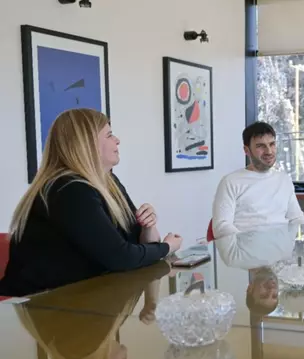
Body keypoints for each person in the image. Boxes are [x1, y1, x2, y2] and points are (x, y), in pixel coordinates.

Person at [0, 109, 182, 297]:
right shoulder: (69, 190)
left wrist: (147, 226)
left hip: (81, 295)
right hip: (37, 303)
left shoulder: (109, 182)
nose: (117, 140)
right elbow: (121, 257)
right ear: (86, 144)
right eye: (109, 135)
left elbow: (138, 245)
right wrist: (167, 247)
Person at [14, 261, 170, 359]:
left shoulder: (84, 342)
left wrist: (161, 263)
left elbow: (140, 267)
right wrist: (151, 299)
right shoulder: (71, 347)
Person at [212, 122, 304, 238]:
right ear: (247, 150)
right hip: (246, 247)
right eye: (260, 146)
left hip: (281, 246)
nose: (269, 151)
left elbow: (296, 217)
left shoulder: (283, 179)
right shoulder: (230, 182)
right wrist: (250, 243)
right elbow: (221, 226)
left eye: (272, 144)